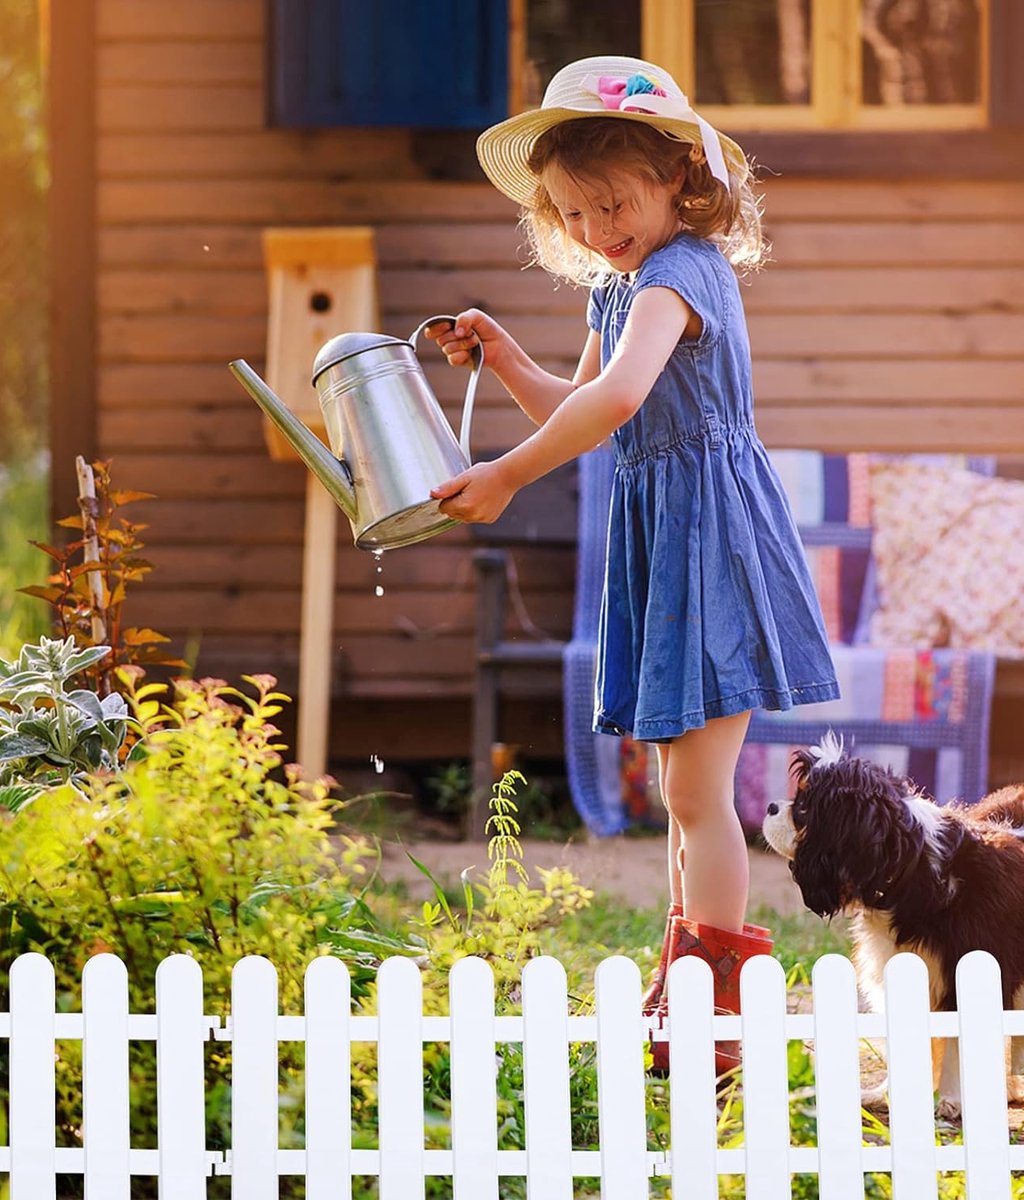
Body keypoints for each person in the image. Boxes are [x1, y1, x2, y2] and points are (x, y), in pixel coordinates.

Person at [427, 56, 840, 1073]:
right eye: (571, 212)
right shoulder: (622, 289)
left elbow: (613, 403)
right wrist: (506, 356)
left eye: (613, 201)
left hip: (711, 538)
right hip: (667, 538)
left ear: (680, 181)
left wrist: (510, 477)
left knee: (701, 794)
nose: (594, 226)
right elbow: (586, 404)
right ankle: (686, 986)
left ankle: (718, 1019)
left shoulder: (683, 271)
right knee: (677, 790)